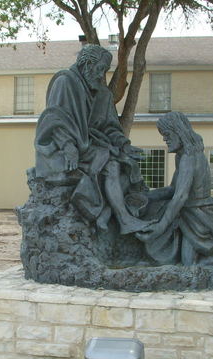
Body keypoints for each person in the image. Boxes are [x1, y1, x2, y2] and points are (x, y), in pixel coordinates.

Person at [34, 44, 149, 234]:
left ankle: (108, 215)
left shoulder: (103, 94)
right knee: (111, 164)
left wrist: (123, 144)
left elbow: (111, 127)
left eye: (104, 71)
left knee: (126, 163)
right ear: (87, 64)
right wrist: (67, 144)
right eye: (100, 69)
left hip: (89, 147)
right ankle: (123, 220)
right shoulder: (65, 82)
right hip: (64, 148)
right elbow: (55, 119)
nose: (101, 75)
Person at [136, 112, 213, 265]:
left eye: (167, 134)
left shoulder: (189, 158)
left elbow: (180, 197)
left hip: (199, 217)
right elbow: (173, 189)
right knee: (188, 263)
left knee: (190, 264)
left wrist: (161, 226)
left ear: (178, 132)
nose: (164, 139)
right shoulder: (182, 156)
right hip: (189, 214)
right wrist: (147, 196)